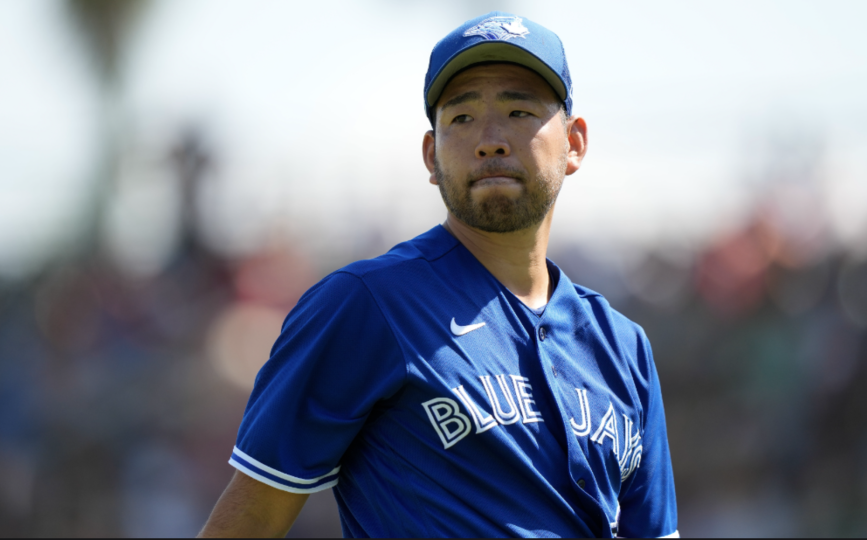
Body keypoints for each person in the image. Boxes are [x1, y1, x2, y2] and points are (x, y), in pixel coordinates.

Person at [199, 12, 678, 538]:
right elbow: (251, 518)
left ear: (575, 143)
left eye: (520, 111)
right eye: (462, 118)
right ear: (432, 155)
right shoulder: (366, 305)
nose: (490, 139)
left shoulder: (623, 348)